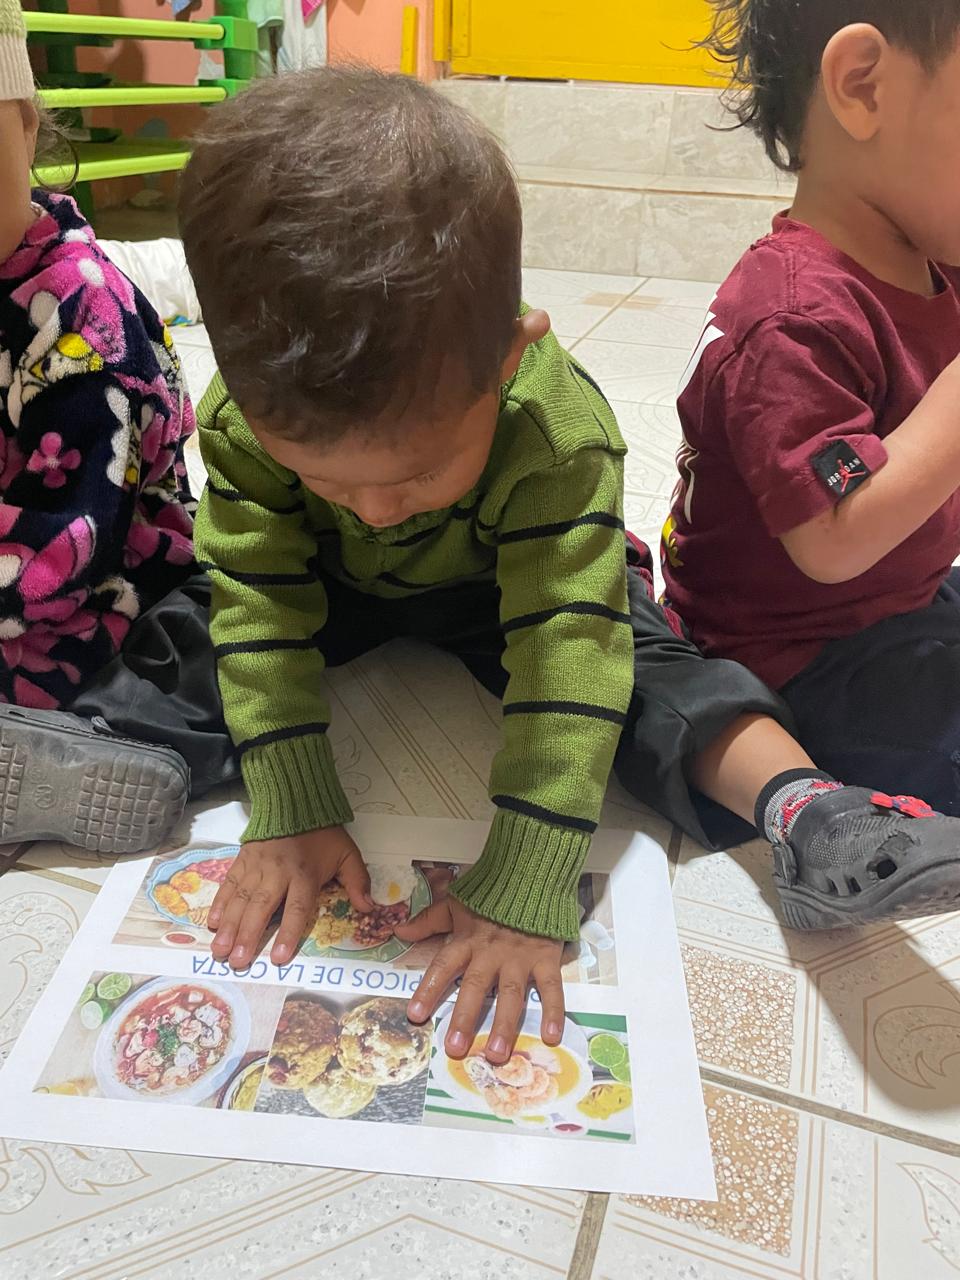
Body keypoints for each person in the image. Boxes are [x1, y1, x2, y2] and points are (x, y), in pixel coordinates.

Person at [178, 66, 960, 1067]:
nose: (373, 508)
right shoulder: (242, 420)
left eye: (418, 472)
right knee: (199, 626)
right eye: (320, 475)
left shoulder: (557, 433)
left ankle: (807, 806)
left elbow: (566, 656)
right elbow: (261, 600)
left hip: (512, 584)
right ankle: (76, 735)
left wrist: (526, 879)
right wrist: (288, 803)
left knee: (639, 669)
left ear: (509, 360)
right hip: (335, 584)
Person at [662, 1, 960, 929]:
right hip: (790, 653)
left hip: (900, 601)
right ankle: (830, 831)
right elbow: (833, 540)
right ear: (864, 86)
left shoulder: (934, 259)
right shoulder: (792, 313)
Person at [0, 0, 236, 852]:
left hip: (104, 582)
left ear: (27, 124)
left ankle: (92, 744)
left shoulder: (81, 321)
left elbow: (68, 553)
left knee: (218, 643)